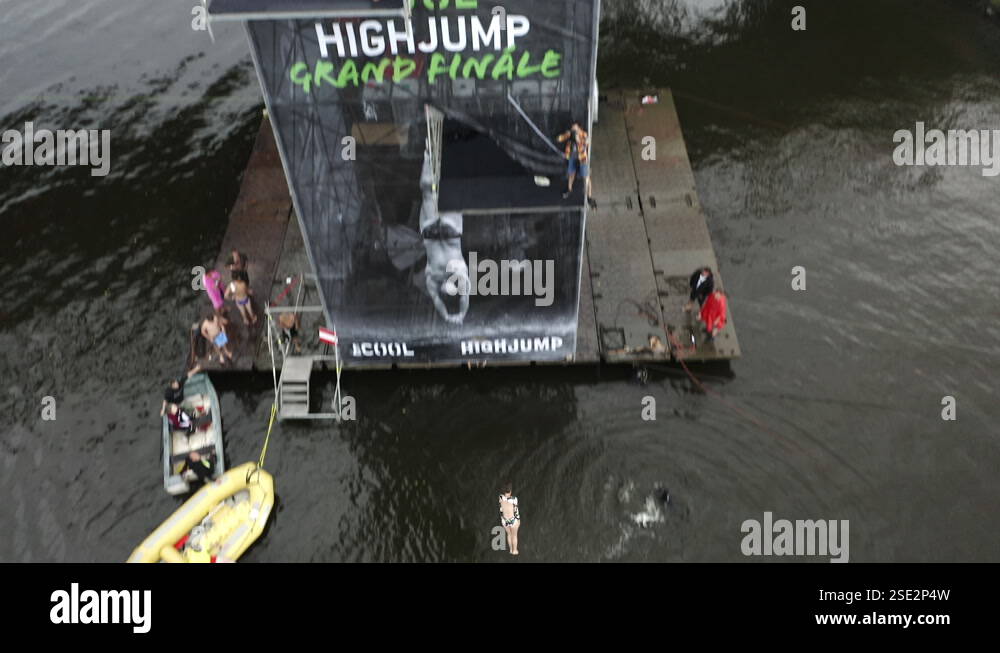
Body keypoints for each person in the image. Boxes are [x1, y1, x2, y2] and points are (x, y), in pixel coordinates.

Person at [557, 121, 596, 208]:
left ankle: (589, 197)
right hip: (572, 157)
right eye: (572, 128)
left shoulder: (584, 134)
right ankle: (569, 190)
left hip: (582, 158)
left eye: (575, 128)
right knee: (571, 174)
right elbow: (559, 139)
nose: (573, 130)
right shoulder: (570, 134)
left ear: (579, 128)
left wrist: (578, 139)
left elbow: (587, 143)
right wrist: (566, 134)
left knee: (586, 177)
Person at [498, 482, 520, 556]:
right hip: (513, 521)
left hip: (505, 521)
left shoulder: (500, 497)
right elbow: (516, 511)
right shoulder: (514, 499)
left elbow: (501, 509)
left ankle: (510, 549)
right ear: (510, 491)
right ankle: (514, 550)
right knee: (514, 535)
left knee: (509, 534)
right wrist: (518, 520)